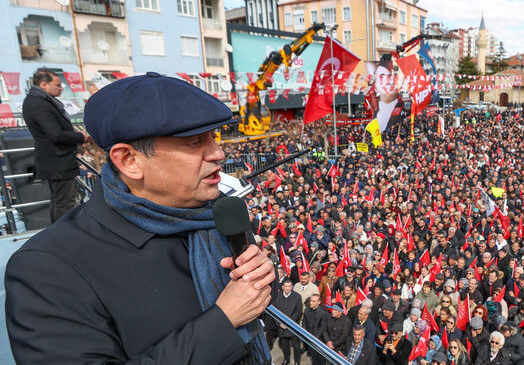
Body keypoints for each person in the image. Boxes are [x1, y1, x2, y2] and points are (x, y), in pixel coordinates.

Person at [6, 72, 275, 363]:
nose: (218, 153)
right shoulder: (47, 269)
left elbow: (248, 299)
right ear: (130, 161)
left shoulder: (219, 215)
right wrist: (223, 322)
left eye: (214, 138)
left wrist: (259, 279)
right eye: (196, 142)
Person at [21, 69, 89, 222]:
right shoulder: (39, 104)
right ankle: (62, 238)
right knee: (64, 203)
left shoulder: (37, 101)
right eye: (58, 85)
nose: (61, 87)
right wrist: (80, 136)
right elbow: (55, 134)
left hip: (55, 161)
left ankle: (59, 235)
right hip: (57, 162)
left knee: (59, 201)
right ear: (44, 85)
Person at [273, 278, 303, 365]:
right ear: (282, 287)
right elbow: (274, 312)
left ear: (291, 287)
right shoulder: (277, 296)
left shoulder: (297, 296)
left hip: (292, 326)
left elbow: (298, 311)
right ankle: (287, 359)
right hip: (281, 327)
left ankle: (297, 361)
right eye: (285, 286)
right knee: (284, 345)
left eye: (289, 286)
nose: (287, 288)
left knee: (296, 346)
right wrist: (279, 323)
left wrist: (288, 323)